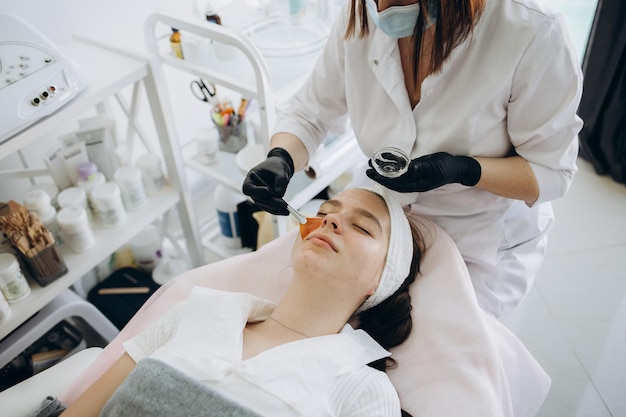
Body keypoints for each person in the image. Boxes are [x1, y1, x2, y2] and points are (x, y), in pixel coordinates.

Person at [242, 0, 583, 318]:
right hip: (381, 212)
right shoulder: (360, 12)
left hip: (478, 235)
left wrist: (464, 170)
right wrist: (282, 156)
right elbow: (310, 112)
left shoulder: (531, 33)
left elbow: (550, 171)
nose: (382, 9)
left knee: (432, 349)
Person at [60, 187, 424, 417]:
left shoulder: (361, 391)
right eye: (325, 211)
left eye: (362, 227)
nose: (329, 221)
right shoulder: (193, 312)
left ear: (382, 279)